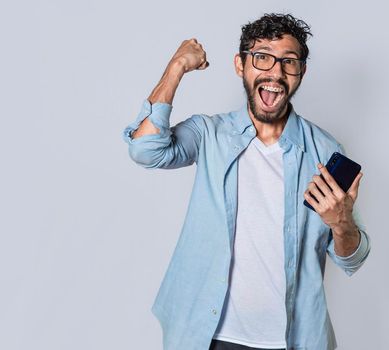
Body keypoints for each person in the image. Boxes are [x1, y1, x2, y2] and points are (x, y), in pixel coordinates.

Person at [123, 13, 371, 350]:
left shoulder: (325, 151)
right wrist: (177, 66)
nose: (275, 73)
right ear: (241, 65)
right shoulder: (210, 134)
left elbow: (352, 257)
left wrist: (341, 223)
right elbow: (145, 149)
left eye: (289, 62)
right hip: (208, 337)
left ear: (302, 72)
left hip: (293, 340)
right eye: (262, 57)